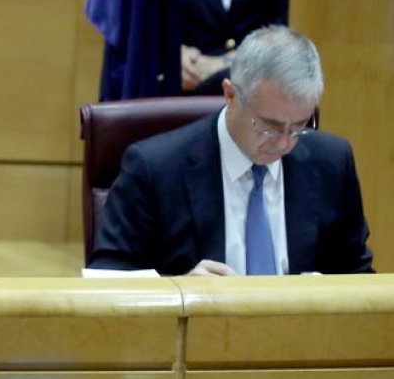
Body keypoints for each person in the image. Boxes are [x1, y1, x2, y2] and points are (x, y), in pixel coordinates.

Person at [90, 26, 373, 276]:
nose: (285, 143)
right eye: (269, 126)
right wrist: (178, 291)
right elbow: (107, 279)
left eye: (299, 126)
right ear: (230, 95)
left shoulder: (332, 163)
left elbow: (358, 277)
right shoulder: (155, 169)